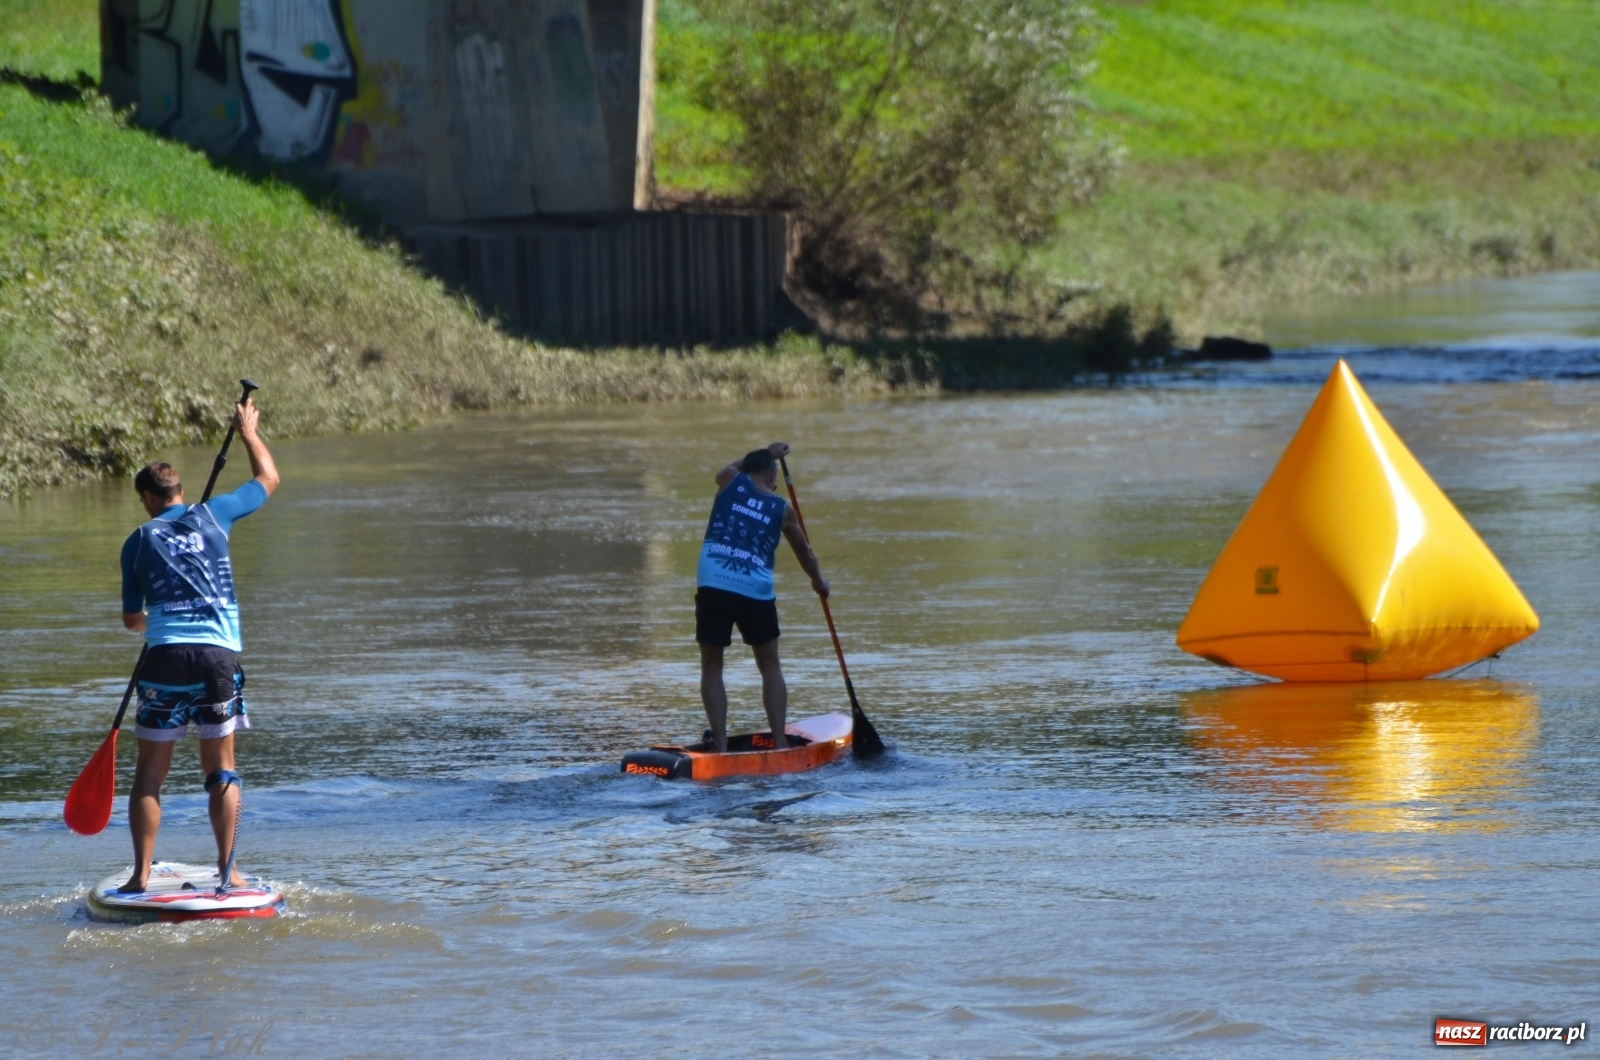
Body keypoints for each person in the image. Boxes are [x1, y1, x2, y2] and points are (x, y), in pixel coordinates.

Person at [116, 398, 279, 892]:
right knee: (221, 768)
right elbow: (269, 479)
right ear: (181, 492)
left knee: (150, 775)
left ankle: (140, 877)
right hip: (216, 660)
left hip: (165, 658)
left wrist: (152, 621)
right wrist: (247, 431)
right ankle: (229, 873)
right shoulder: (215, 514)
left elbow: (131, 620)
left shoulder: (137, 541)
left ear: (147, 496)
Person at [696, 442, 828, 752]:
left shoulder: (730, 479)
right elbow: (805, 555)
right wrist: (819, 582)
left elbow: (731, 467)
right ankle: (780, 745)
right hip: (754, 589)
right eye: (774, 477)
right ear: (771, 475)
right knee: (770, 665)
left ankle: (720, 745)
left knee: (712, 665)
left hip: (713, 580)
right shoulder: (782, 509)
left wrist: (767, 451)